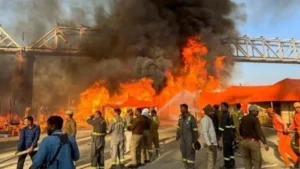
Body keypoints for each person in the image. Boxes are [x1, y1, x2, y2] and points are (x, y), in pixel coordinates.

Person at [239, 105, 269, 169]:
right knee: (257, 160)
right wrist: (265, 142)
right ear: (252, 111)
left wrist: (243, 137)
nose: (258, 113)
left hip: (244, 142)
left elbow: (240, 129)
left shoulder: (243, 118)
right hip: (253, 142)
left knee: (247, 160)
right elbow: (259, 132)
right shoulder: (255, 119)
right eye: (257, 111)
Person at [176, 104, 199, 169]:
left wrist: (195, 140)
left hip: (190, 139)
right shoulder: (180, 117)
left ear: (186, 109)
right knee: (183, 152)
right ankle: (186, 167)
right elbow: (178, 127)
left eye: (182, 108)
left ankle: (191, 167)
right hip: (182, 140)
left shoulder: (191, 118)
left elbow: (195, 129)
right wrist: (177, 135)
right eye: (180, 108)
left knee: (190, 153)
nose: (181, 110)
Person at [218, 102, 235, 169]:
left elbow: (222, 126)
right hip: (230, 135)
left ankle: (227, 165)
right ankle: (232, 163)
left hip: (227, 135)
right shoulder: (230, 114)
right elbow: (233, 125)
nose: (221, 108)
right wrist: (234, 133)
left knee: (226, 151)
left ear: (226, 107)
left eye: (222, 107)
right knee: (231, 150)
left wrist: (219, 135)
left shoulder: (225, 115)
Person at [200, 105, 218, 169]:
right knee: (211, 162)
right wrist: (209, 144)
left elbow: (211, 132)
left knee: (213, 161)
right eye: (211, 112)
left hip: (213, 144)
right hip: (210, 145)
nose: (213, 113)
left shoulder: (209, 119)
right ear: (208, 112)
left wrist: (216, 144)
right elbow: (205, 132)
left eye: (213, 111)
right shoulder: (205, 119)